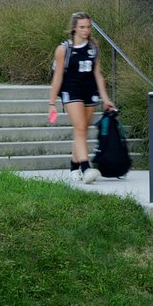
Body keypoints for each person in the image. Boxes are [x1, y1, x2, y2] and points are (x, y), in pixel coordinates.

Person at [47, 13, 116, 184]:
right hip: (71, 91)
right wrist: (52, 102)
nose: (86, 30)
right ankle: (85, 167)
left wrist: (106, 98)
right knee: (79, 127)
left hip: (89, 91)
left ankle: (73, 167)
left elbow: (98, 74)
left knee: (83, 130)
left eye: (88, 27)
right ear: (74, 28)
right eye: (82, 27)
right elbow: (57, 77)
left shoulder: (94, 47)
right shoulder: (64, 49)